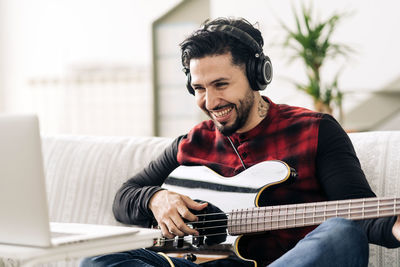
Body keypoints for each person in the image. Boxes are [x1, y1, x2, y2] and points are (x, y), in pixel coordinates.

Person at [81, 17, 400, 267]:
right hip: (198, 264)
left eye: (221, 84)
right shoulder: (192, 142)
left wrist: (394, 226)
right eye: (199, 88)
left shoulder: (315, 130)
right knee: (96, 259)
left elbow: (360, 211)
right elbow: (123, 198)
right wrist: (156, 198)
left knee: (342, 234)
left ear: (257, 75)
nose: (210, 100)